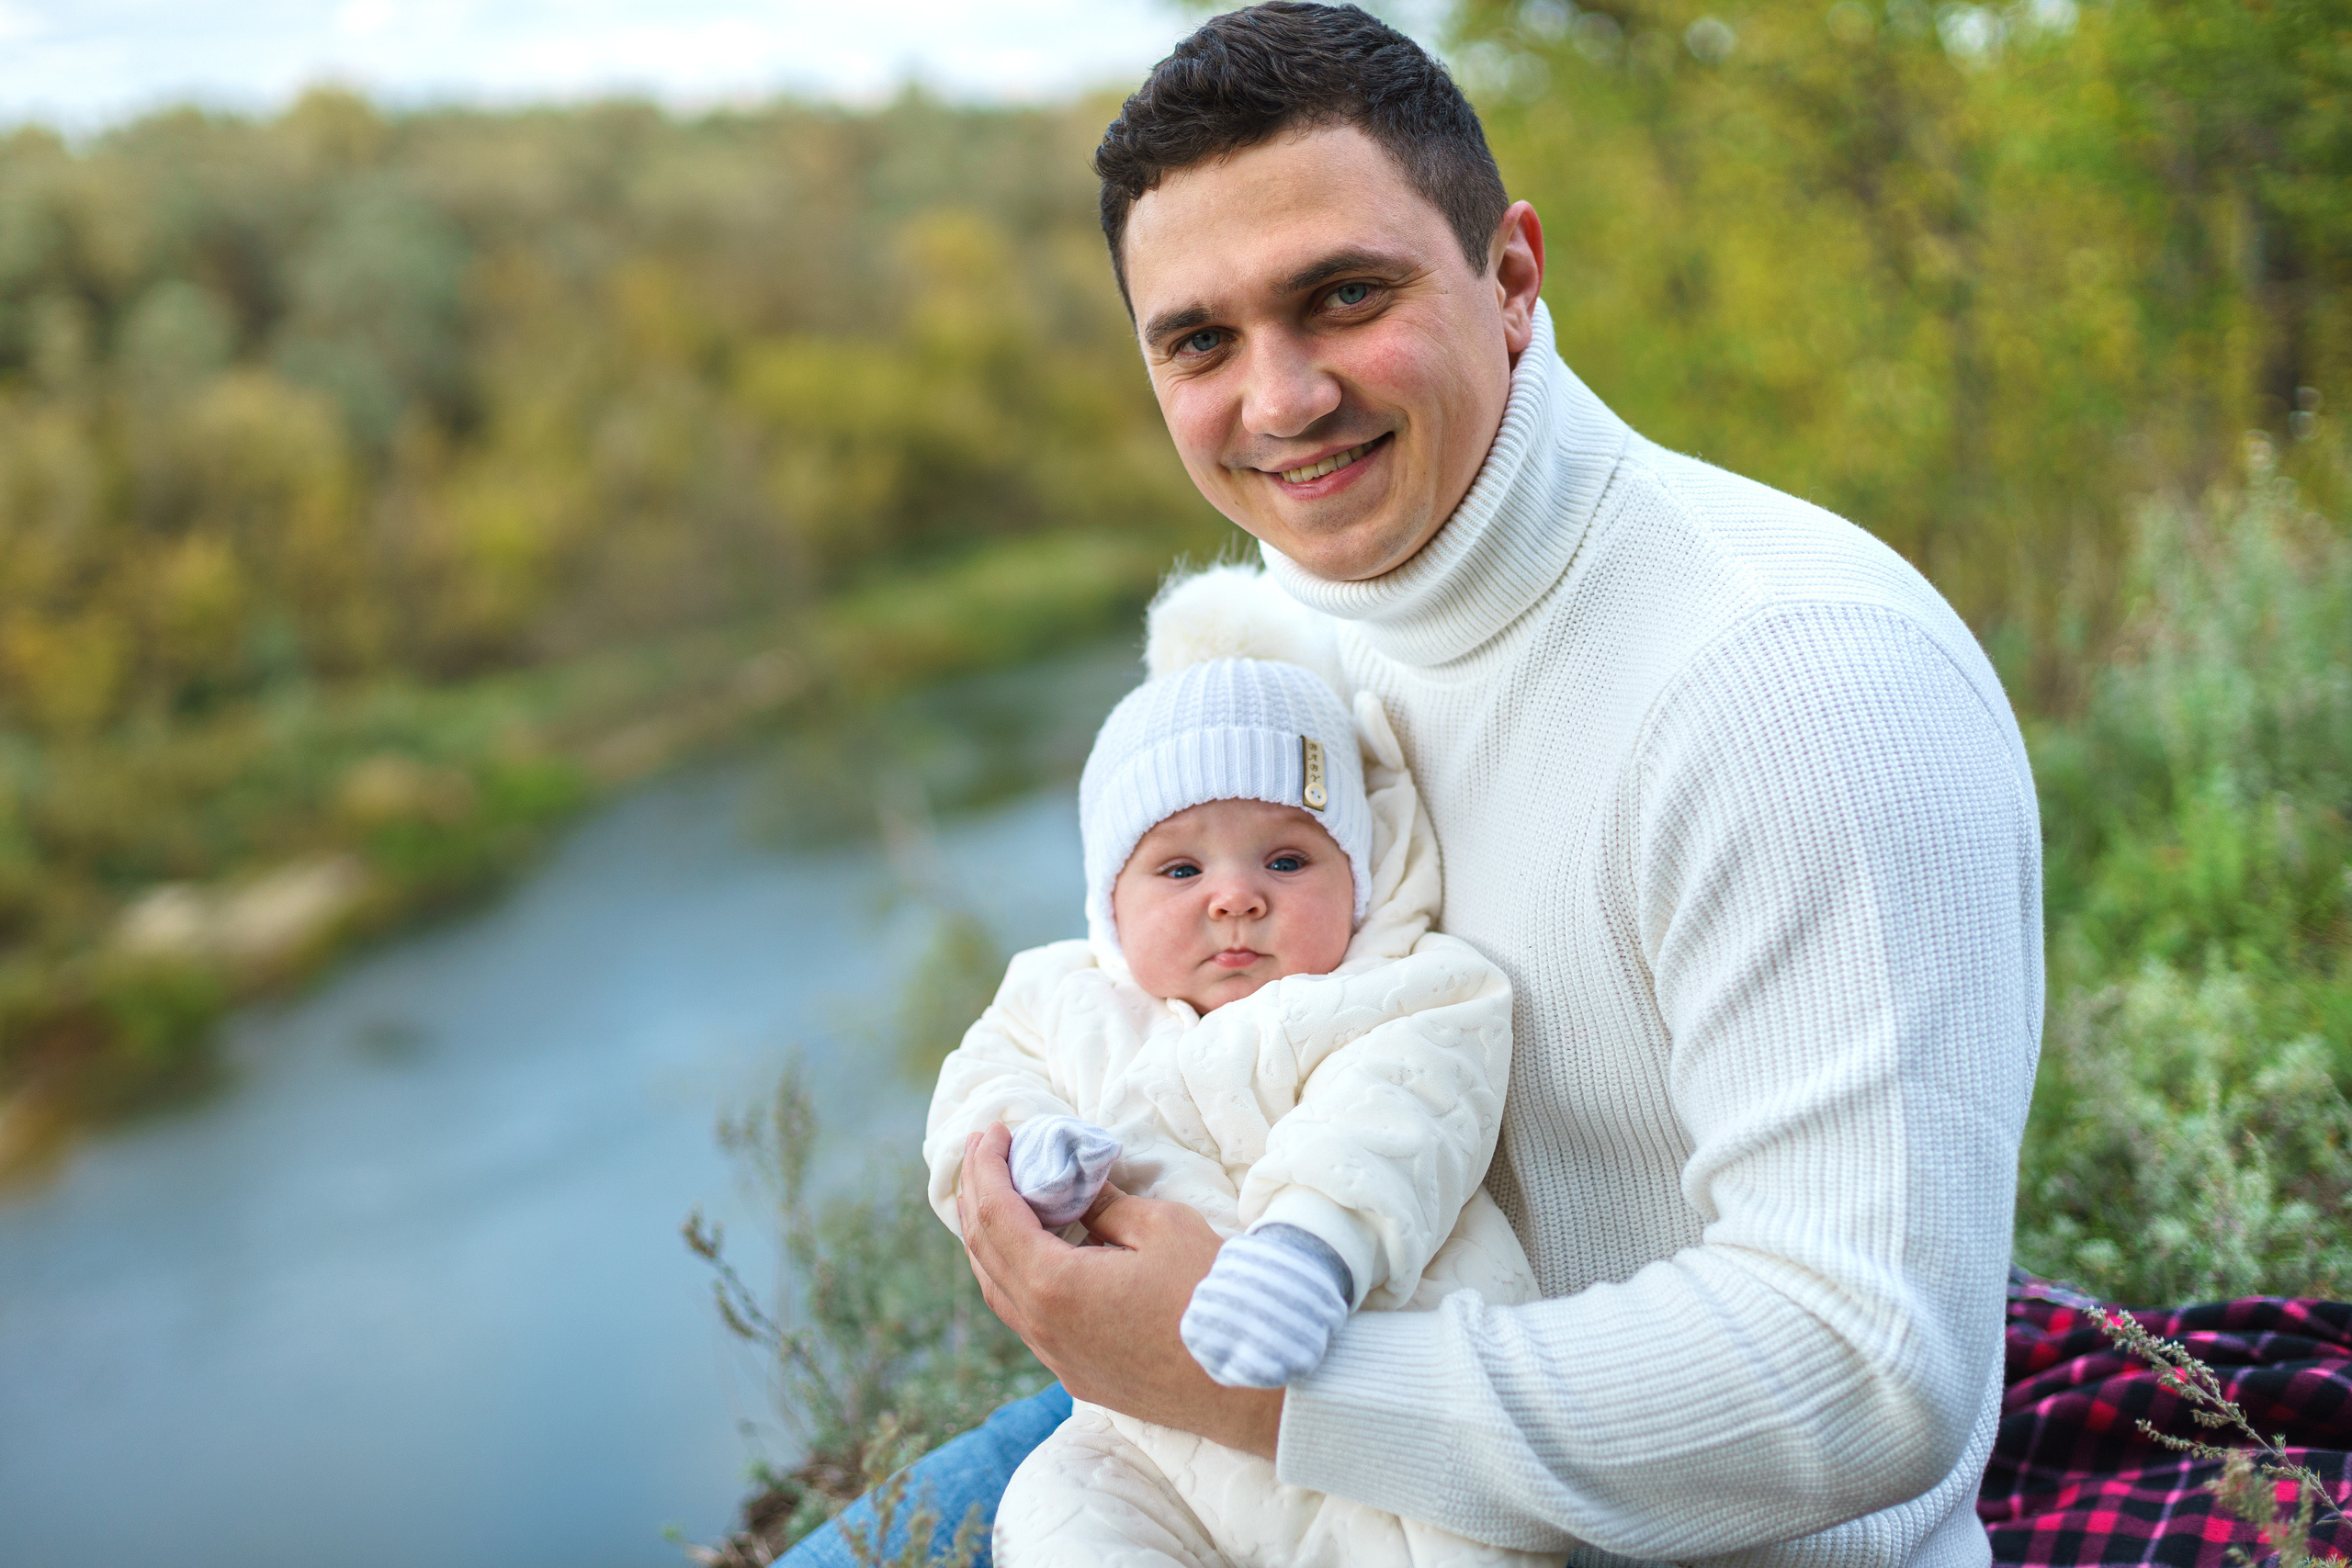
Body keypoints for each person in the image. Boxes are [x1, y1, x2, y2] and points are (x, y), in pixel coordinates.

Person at [785, 4, 2042, 1565]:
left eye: (1345, 296)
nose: (1283, 399)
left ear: (1511, 276)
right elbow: (1172, 1017)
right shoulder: (1267, 641)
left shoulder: (1794, 680)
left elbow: (1867, 1375)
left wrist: (1256, 1389)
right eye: (1200, 340)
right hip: (1231, 1442)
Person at [923, 572, 1544, 1567]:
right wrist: (1026, 1155)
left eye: (1288, 861)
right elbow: (979, 1089)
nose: (1236, 899)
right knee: (1054, 1510)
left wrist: (1311, 1245)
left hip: (1372, 1397)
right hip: (1146, 1438)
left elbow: (1397, 1119)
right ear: (1108, 899)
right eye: (1179, 869)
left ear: (1360, 872)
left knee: (1464, 1541)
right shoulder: (1062, 997)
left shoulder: (1413, 990)